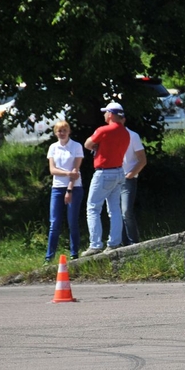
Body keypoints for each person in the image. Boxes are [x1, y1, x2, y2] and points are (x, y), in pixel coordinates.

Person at [81, 102, 130, 257]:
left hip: (104, 173)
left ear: (110, 114)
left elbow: (88, 144)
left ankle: (95, 245)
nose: (103, 115)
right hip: (119, 172)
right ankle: (114, 243)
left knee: (93, 208)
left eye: (105, 113)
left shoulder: (104, 130)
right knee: (114, 209)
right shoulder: (125, 132)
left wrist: (97, 146)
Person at [44, 121, 84, 263]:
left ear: (69, 131)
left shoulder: (76, 146)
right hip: (57, 187)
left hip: (74, 188)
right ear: (55, 133)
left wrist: (69, 190)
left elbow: (76, 172)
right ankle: (49, 257)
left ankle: (74, 253)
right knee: (54, 223)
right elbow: (52, 170)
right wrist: (67, 173)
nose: (62, 133)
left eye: (64, 130)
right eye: (59, 130)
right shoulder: (53, 147)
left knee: (72, 221)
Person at [121, 124, 147, 245]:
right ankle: (120, 242)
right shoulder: (107, 135)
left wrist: (130, 175)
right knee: (114, 213)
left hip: (127, 179)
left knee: (126, 211)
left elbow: (142, 160)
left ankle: (133, 242)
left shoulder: (132, 135)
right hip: (113, 178)